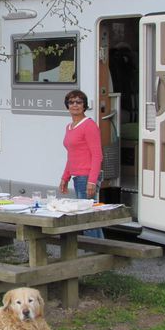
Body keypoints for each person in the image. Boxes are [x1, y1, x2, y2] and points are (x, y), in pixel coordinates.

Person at [58, 89, 105, 238]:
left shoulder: (89, 125)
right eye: (71, 102)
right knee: (89, 219)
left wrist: (92, 181)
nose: (75, 105)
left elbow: (97, 155)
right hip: (77, 177)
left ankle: (94, 253)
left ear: (84, 106)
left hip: (86, 178)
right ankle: (99, 251)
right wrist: (65, 177)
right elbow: (71, 156)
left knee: (87, 221)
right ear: (67, 106)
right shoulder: (69, 127)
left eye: (79, 102)